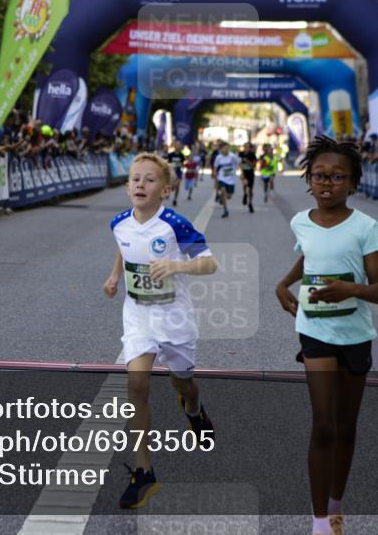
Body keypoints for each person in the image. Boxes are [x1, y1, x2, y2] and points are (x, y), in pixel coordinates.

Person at [274, 136, 378, 535]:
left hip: (355, 334)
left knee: (345, 426)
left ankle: (337, 506)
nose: (327, 184)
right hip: (315, 330)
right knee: (322, 425)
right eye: (319, 176)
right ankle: (320, 520)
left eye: (338, 177)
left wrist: (348, 290)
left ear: (353, 183)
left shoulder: (367, 228)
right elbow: (310, 256)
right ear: (308, 180)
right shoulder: (300, 221)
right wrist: (282, 285)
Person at [103, 153, 218, 509]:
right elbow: (126, 247)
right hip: (137, 317)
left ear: (165, 190)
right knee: (136, 384)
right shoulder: (118, 223)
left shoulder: (175, 224)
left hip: (174, 318)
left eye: (149, 179)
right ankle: (144, 471)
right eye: (135, 179)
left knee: (182, 381)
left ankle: (194, 409)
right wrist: (114, 276)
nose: (140, 184)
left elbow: (210, 263)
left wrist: (175, 264)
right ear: (126, 186)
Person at [211, 141, 240, 218]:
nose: (226, 149)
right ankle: (225, 210)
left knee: (229, 196)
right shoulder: (219, 157)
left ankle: (222, 198)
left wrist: (241, 173)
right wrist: (214, 174)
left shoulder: (232, 156)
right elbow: (215, 167)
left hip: (231, 179)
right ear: (221, 149)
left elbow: (239, 163)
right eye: (224, 148)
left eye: (227, 148)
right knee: (223, 190)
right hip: (222, 178)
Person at [239, 141, 258, 213]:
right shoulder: (241, 154)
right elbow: (239, 163)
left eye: (248, 147)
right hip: (244, 172)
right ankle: (245, 194)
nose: (246, 148)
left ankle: (250, 203)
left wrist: (247, 161)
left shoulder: (252, 155)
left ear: (250, 148)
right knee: (245, 184)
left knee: (250, 189)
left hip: (250, 173)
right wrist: (241, 171)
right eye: (245, 147)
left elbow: (254, 165)